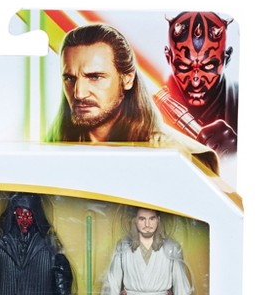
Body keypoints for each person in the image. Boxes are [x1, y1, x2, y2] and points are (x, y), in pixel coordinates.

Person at [46, 23, 219, 175]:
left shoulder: (176, 153)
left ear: (127, 79)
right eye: (69, 78)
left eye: (95, 77)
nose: (79, 93)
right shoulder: (54, 144)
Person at [160, 11, 238, 157]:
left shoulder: (240, 101)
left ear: (226, 59)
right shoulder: (150, 106)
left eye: (208, 66)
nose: (195, 81)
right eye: (184, 66)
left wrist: (236, 157)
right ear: (168, 58)